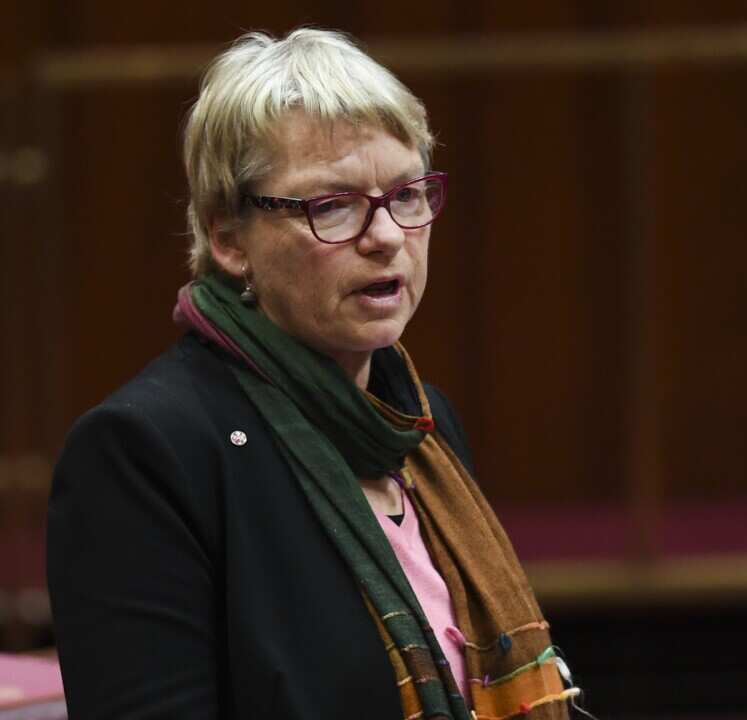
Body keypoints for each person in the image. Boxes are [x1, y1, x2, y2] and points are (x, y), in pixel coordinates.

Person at [48, 28, 577, 720]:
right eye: (332, 205)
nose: (386, 236)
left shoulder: (419, 424)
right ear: (229, 239)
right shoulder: (147, 453)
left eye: (406, 194)